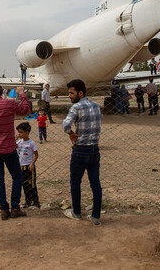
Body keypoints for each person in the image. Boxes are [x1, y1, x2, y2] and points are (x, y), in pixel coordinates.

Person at [0, 82, 31, 220]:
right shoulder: (9, 104)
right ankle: (15, 207)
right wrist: (22, 94)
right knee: (16, 175)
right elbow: (25, 109)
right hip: (8, 147)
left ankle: (3, 209)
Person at [62, 79, 102, 226]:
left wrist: (71, 133)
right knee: (95, 184)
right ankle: (95, 216)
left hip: (80, 151)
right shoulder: (96, 106)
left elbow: (65, 125)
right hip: (94, 150)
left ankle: (77, 212)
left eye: (71, 93)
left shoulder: (76, 108)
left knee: (75, 182)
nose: (69, 96)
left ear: (80, 93)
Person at [16, 122, 40, 209]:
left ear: (27, 132)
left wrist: (32, 163)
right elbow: (12, 147)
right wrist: (14, 139)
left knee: (32, 184)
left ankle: (36, 202)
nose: (19, 134)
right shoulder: (19, 142)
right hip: (21, 167)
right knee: (24, 185)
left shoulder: (31, 143)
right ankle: (28, 202)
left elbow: (36, 155)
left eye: (21, 132)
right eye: (18, 132)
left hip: (29, 167)